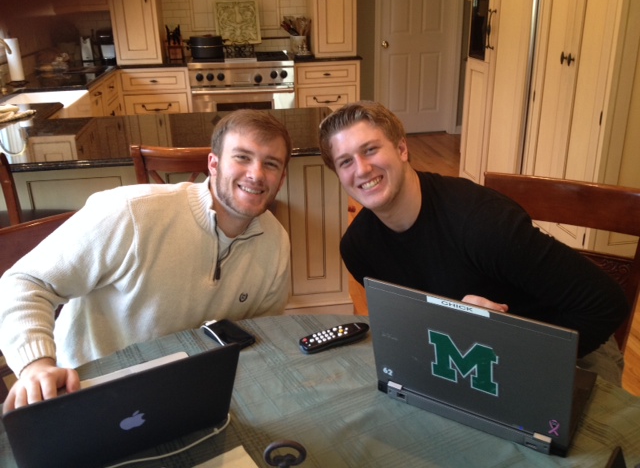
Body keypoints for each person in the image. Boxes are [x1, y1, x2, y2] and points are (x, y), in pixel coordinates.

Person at [318, 100, 629, 385]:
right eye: (345, 161)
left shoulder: (482, 224)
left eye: (371, 149)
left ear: (402, 149)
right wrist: (463, 330)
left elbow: (605, 303)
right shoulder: (359, 248)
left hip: (565, 348)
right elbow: (410, 327)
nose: (361, 169)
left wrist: (497, 339)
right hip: (466, 355)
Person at [0, 109, 293, 412]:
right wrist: (36, 366)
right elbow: (24, 282)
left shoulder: (275, 242)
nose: (256, 174)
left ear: (281, 179)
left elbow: (261, 336)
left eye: (270, 164)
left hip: (196, 391)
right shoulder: (131, 213)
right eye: (242, 157)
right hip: (92, 390)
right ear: (214, 164)